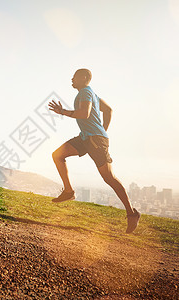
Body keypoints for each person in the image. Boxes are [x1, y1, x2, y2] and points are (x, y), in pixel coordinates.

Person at [48, 69, 140, 233]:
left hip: (95, 140)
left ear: (83, 78)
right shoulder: (92, 94)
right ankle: (69, 191)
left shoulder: (85, 92)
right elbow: (109, 110)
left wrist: (62, 112)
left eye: (74, 76)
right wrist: (102, 130)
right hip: (86, 138)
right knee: (58, 155)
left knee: (109, 178)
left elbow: (84, 113)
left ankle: (132, 214)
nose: (71, 79)